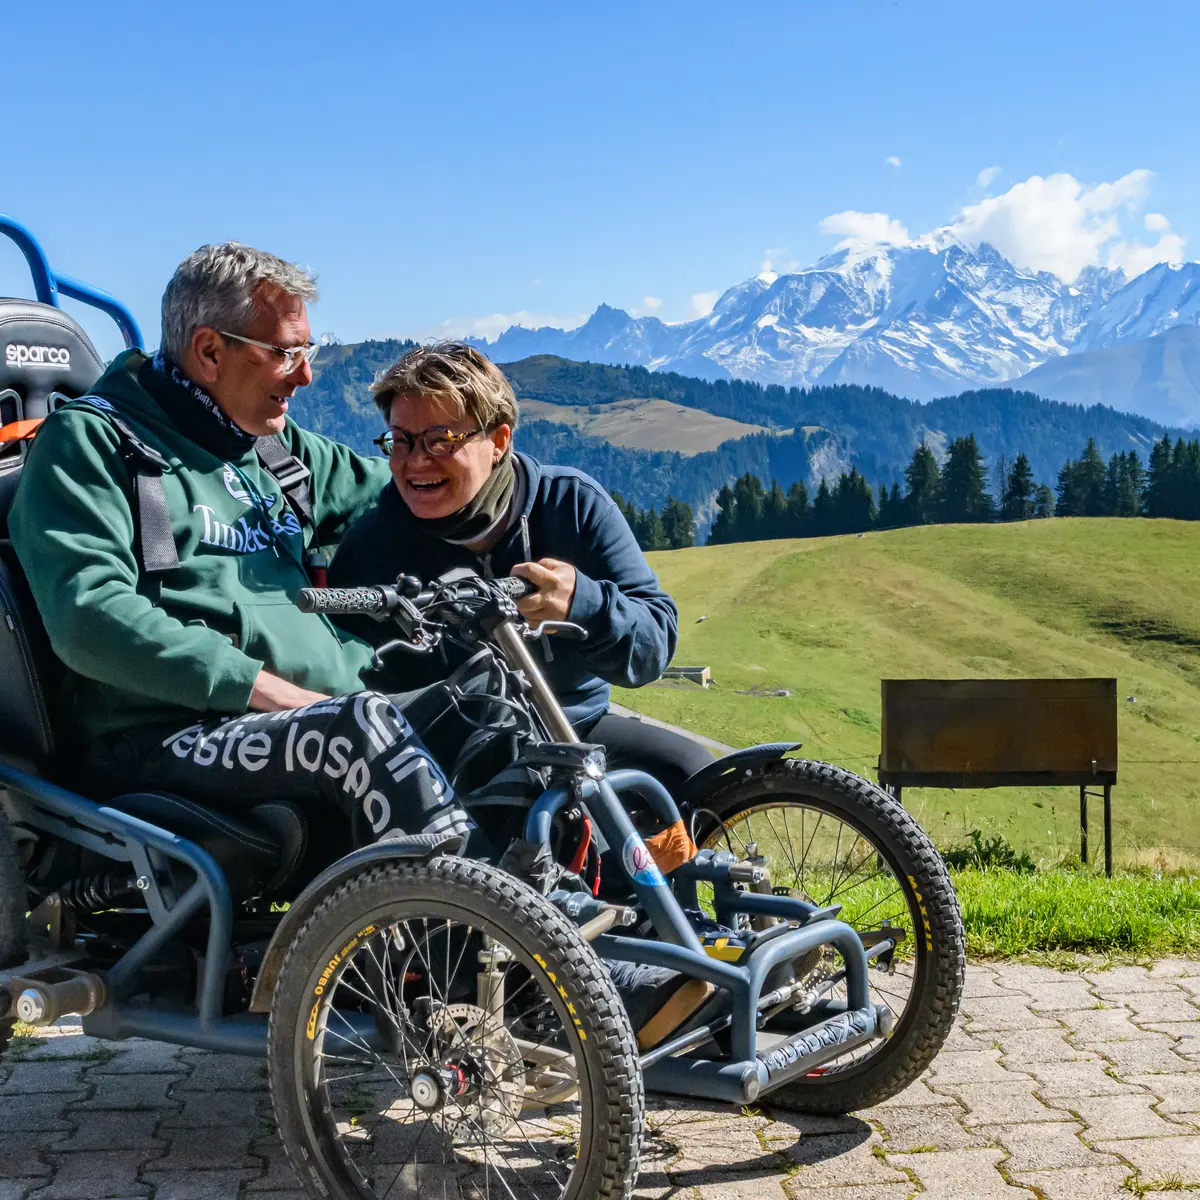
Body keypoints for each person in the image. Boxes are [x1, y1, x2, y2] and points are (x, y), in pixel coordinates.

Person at [9, 244, 471, 849]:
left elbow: (414, 488)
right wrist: (262, 688)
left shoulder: (276, 450)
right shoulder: (90, 445)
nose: (305, 374)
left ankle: (559, 916)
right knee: (359, 733)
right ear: (208, 351)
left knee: (485, 703)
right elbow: (88, 614)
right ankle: (459, 933)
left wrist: (536, 500)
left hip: (326, 710)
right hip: (169, 732)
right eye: (285, 353)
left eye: (307, 351)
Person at [327, 341, 713, 797]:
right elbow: (344, 683)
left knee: (693, 773)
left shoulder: (571, 505)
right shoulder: (370, 548)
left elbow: (653, 647)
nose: (415, 461)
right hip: (447, 753)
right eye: (401, 440)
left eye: (440, 440)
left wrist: (582, 605)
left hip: (575, 726)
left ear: (499, 441)